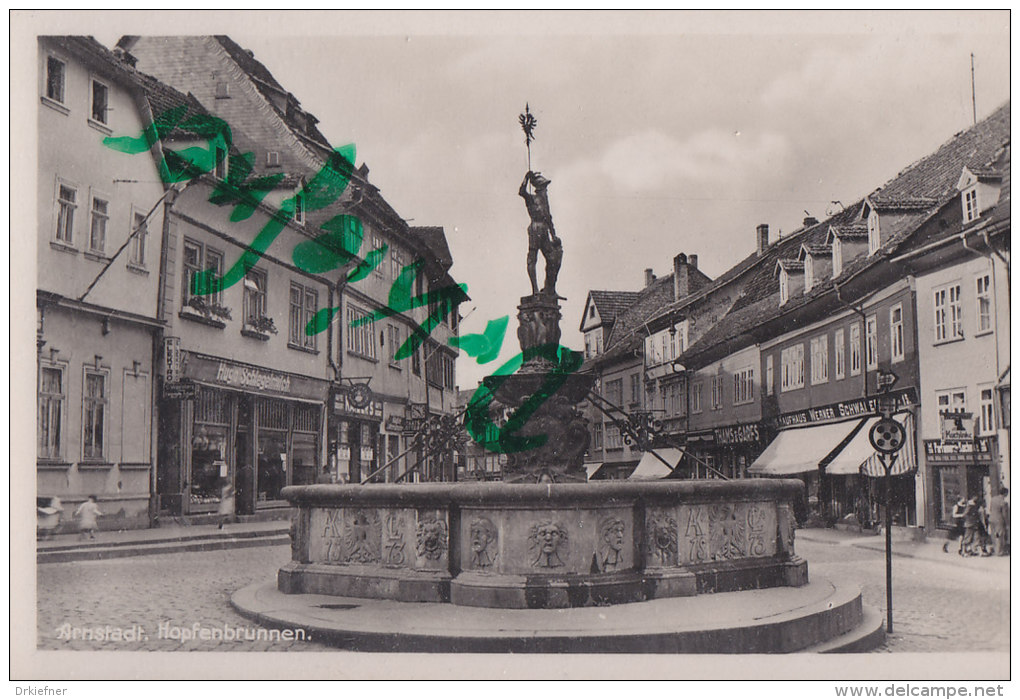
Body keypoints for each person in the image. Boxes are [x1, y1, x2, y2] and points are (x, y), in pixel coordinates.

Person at [519, 171, 563, 298]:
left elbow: (549, 218)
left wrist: (553, 235)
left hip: (544, 231)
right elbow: (522, 191)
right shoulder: (532, 199)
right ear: (539, 188)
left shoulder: (545, 201)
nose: (546, 191)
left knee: (552, 259)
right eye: (544, 188)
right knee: (533, 259)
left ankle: (550, 289)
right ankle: (535, 289)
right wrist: (526, 178)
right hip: (535, 229)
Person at [988, 487, 1010, 556]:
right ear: (1005, 494)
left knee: (994, 535)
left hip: (991, 519)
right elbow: (1004, 514)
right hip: (999, 520)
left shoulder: (993, 499)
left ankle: (995, 550)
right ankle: (999, 552)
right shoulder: (1003, 502)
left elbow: (991, 509)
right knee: (1000, 535)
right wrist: (1007, 524)